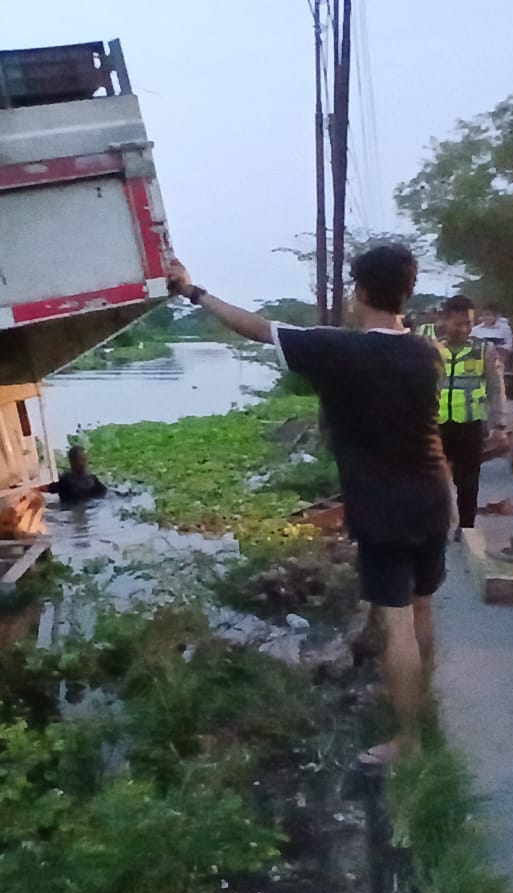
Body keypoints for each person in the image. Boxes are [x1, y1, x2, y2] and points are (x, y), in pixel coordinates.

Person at [167, 246, 448, 766]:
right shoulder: (428, 353)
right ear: (406, 290)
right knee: (422, 607)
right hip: (433, 497)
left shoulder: (342, 349)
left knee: (397, 622)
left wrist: (192, 291)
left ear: (361, 291)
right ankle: (419, 707)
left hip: (384, 507)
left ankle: (407, 741)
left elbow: (255, 327)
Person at [436, 295, 511, 537]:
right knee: (432, 479)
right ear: (445, 321)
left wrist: (499, 425)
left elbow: (496, 388)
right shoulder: (432, 350)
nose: (465, 329)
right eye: (459, 323)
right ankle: (435, 525)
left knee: (467, 482)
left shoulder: (484, 351)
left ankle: (466, 529)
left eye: (468, 323)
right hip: (435, 426)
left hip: (470, 426)